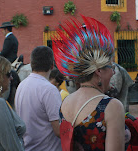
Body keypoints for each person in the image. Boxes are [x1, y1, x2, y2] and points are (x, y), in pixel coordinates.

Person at [52, 15, 126, 150]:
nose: (113, 72)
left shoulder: (66, 102)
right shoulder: (112, 106)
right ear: (98, 71)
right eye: (111, 67)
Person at [15, 46, 62, 151]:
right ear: (52, 66)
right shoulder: (50, 90)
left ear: (31, 64)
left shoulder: (21, 86)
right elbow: (58, 130)